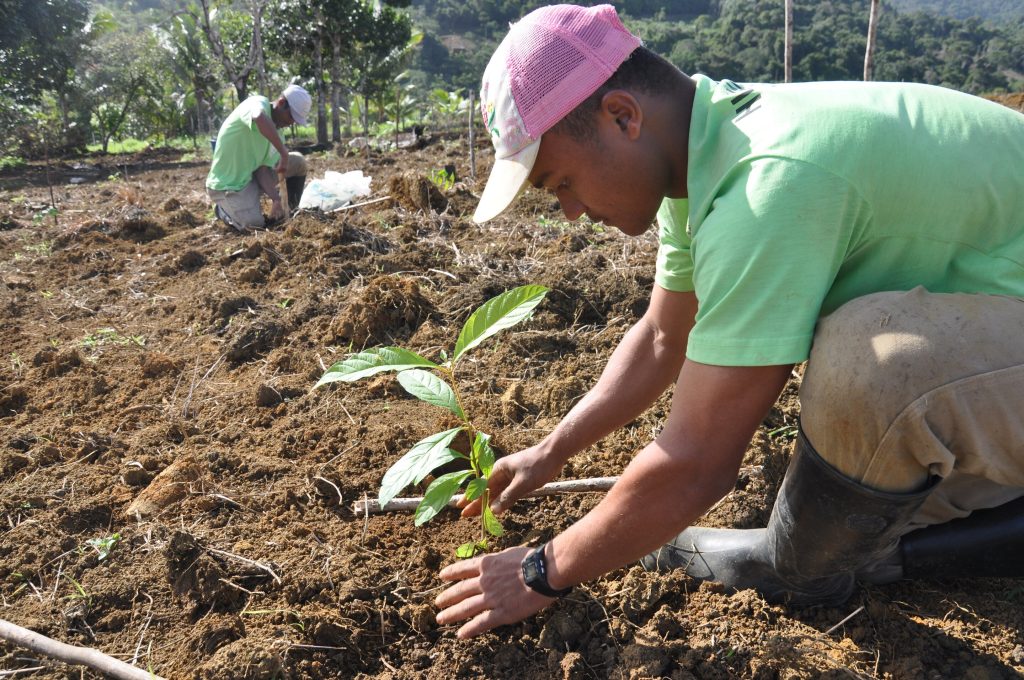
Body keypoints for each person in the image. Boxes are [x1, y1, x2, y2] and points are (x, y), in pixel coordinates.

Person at [433, 3, 1024, 639]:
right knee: (857, 452)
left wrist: (542, 570)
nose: (571, 212)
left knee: (875, 368)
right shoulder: (710, 148)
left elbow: (698, 464)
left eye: (562, 182)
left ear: (623, 116)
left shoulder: (766, 183)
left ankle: (822, 567)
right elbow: (664, 337)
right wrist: (550, 452)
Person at [206, 84, 311, 232]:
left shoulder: (278, 133)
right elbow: (259, 117)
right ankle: (221, 210)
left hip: (251, 177)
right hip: (228, 184)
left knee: (298, 162)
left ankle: (288, 211)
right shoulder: (256, 103)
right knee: (254, 225)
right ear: (281, 103)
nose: (292, 122)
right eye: (291, 116)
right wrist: (283, 152)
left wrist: (276, 199)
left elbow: (261, 171)